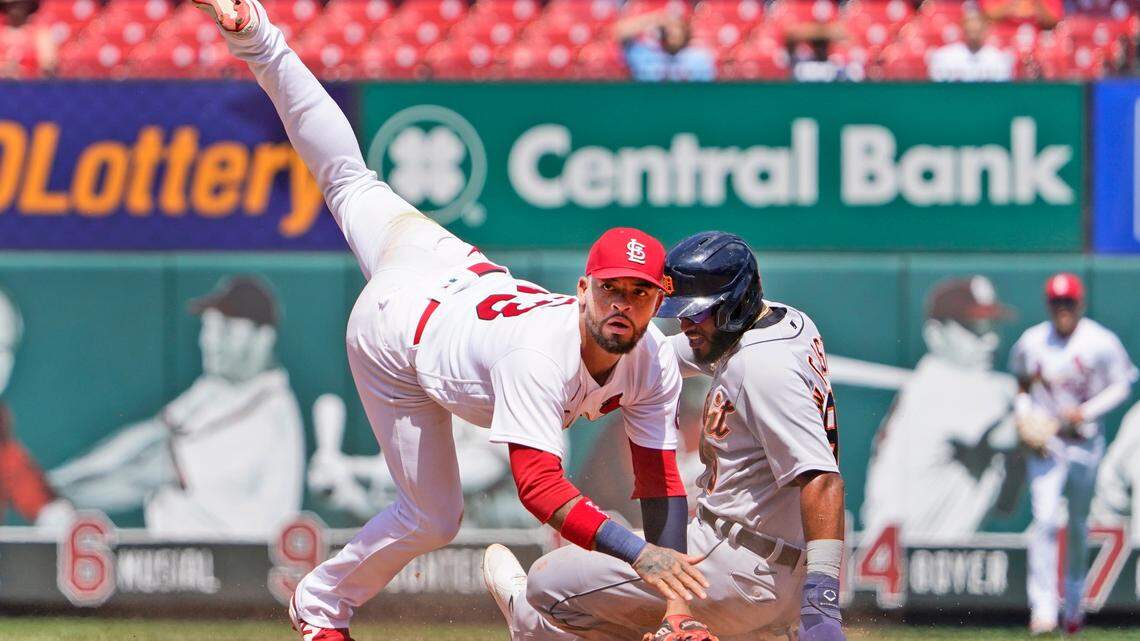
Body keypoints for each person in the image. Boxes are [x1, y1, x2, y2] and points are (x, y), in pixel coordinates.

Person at [194, 1, 707, 639]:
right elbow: (541, 489)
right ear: (583, 290)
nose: (622, 305)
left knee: (351, 182)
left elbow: (658, 479)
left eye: (638, 293)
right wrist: (636, 552)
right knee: (434, 516)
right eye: (610, 290)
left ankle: (257, 36)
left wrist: (677, 612)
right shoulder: (540, 355)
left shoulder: (654, 359)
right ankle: (322, 605)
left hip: (454, 273)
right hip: (398, 333)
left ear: (660, 300)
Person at [482, 232, 847, 641]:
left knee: (548, 583)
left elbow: (822, 479)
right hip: (773, 569)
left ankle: (533, 629)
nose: (686, 323)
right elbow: (660, 356)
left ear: (736, 302)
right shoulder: (783, 323)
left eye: (698, 312)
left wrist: (823, 600)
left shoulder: (763, 369)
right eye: (679, 311)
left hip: (739, 566)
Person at [47, 275, 306, 540]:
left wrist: (44, 495)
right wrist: (55, 478)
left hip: (236, 565)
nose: (209, 341)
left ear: (263, 338)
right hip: (191, 558)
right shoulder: (217, 386)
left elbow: (147, 473)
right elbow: (145, 434)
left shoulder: (270, 415)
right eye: (208, 327)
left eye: (226, 328)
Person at [1009, 272, 1137, 635]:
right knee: (1046, 519)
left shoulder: (1100, 342)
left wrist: (1088, 411)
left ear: (1079, 303)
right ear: (1049, 304)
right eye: (1056, 302)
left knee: (1078, 526)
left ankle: (1075, 603)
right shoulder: (1033, 341)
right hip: (1047, 444)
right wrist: (1023, 416)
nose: (1062, 308)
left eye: (1068, 302)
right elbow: (1020, 380)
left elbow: (1123, 383)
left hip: (1084, 442)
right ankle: (1044, 608)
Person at [861, 276, 1022, 540]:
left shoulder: (936, 380)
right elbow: (1015, 435)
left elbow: (1006, 504)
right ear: (936, 334)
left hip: (908, 554)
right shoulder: (944, 382)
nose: (991, 340)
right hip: (907, 556)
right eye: (975, 328)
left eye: (993, 326)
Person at [613, 9, 715, 81]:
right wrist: (657, 19)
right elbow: (619, 32)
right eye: (669, 28)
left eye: (678, 27)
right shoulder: (645, 55)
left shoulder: (698, 58)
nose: (673, 32)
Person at [928, 12, 1015, 82]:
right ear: (963, 30)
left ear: (985, 31)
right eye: (970, 31)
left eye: (977, 32)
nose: (973, 36)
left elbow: (1002, 90)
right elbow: (938, 87)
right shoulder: (944, 56)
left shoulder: (998, 58)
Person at [0, 0, 57, 78]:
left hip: (30, 85)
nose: (16, 8)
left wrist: (25, 72)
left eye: (20, 4)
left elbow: (48, 65)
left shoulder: (40, 33)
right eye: (12, 5)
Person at [981, 0, 1063, 29]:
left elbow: (1053, 22)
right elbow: (988, 15)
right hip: (1004, 38)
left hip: (1037, 41)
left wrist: (1038, 4)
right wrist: (1010, 5)